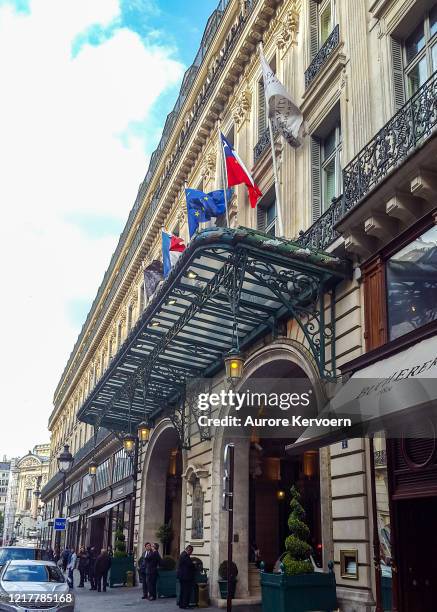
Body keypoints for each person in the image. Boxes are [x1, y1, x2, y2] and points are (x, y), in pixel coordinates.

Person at [177, 545, 195, 609]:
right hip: (185, 577)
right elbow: (189, 564)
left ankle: (181, 604)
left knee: (183, 591)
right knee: (186, 591)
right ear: (189, 550)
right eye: (191, 551)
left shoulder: (182, 554)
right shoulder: (185, 555)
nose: (191, 553)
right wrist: (194, 563)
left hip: (182, 576)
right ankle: (184, 605)